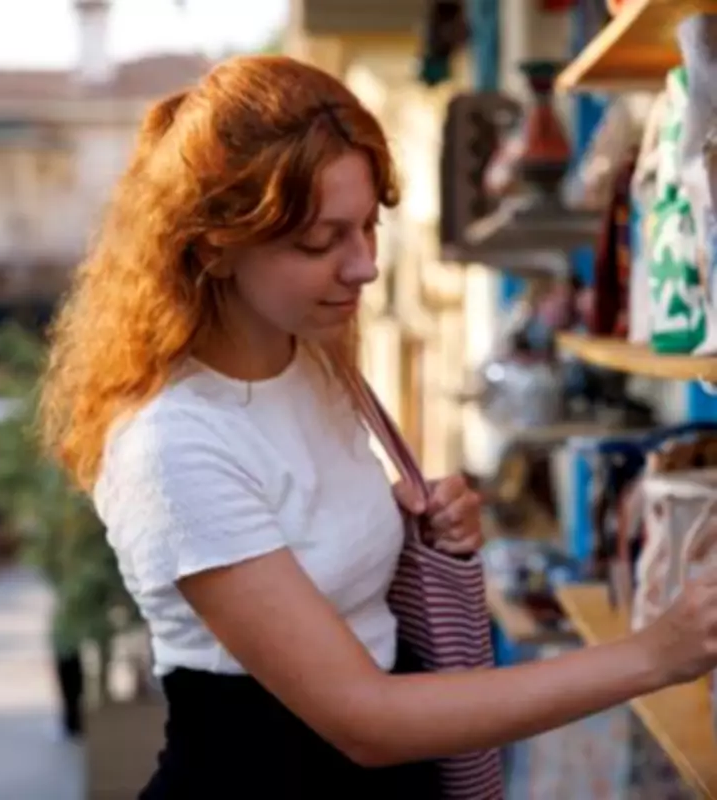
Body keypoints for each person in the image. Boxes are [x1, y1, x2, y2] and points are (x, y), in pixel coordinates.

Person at [39, 54, 717, 799]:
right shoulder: (171, 446)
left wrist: (417, 532)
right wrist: (655, 654)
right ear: (213, 245)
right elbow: (367, 722)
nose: (362, 266)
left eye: (367, 226)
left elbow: (321, 566)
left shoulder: (312, 358)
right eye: (319, 241)